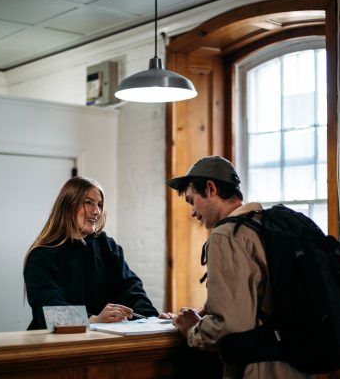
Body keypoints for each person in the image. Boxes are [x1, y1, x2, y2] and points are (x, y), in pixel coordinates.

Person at [166, 155, 310, 379]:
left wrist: (192, 330)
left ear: (211, 189)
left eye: (192, 201)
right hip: (297, 364)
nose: (192, 212)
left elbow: (231, 325)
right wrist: (208, 311)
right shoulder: (264, 225)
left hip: (259, 368)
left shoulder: (227, 235)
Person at [23, 176, 162, 330]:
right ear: (68, 205)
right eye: (88, 202)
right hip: (55, 345)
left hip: (100, 342)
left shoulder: (107, 246)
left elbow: (130, 289)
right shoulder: (42, 255)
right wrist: (92, 320)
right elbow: (48, 307)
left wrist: (153, 319)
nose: (96, 211)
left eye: (100, 205)